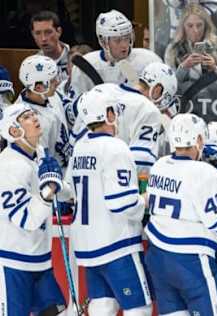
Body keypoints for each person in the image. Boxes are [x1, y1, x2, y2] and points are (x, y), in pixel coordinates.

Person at [144, 113, 217, 316]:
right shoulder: (203, 172)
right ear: (199, 139)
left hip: (158, 256)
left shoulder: (158, 165)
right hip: (191, 261)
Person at [64, 88, 153, 315]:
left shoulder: (80, 147)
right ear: (109, 115)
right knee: (139, 308)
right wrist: (144, 200)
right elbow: (121, 203)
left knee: (102, 305)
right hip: (116, 243)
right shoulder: (115, 147)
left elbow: (70, 193)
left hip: (87, 244)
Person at [0, 103, 67, 315]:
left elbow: (55, 187)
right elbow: (27, 219)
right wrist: (50, 190)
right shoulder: (9, 167)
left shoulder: (37, 154)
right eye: (26, 117)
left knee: (56, 311)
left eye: (33, 113)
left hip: (40, 260)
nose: (34, 118)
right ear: (14, 130)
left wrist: (65, 190)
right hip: (14, 263)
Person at [70, 9, 162, 96]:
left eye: (126, 37)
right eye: (117, 40)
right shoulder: (85, 65)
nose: (124, 45)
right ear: (103, 41)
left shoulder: (148, 60)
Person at [17, 55, 71, 169]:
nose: (57, 82)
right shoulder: (30, 121)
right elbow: (42, 163)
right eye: (52, 80)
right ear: (37, 87)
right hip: (56, 173)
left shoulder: (49, 94)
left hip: (66, 161)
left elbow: (68, 108)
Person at [164, 3, 217, 83]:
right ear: (183, 27)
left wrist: (215, 69)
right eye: (190, 26)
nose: (195, 31)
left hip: (214, 94)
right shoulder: (173, 49)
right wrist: (183, 67)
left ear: (206, 26)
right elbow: (169, 87)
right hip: (185, 94)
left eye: (199, 25)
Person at [31, 10, 70, 82]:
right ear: (33, 34)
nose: (43, 39)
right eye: (38, 33)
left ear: (59, 31)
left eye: (48, 32)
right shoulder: (32, 64)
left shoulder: (75, 57)